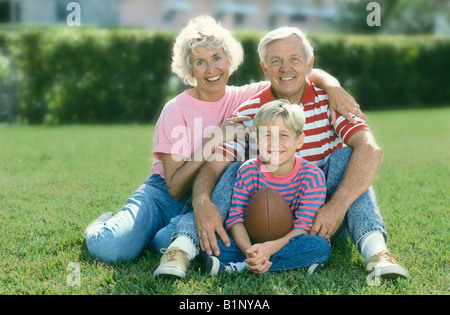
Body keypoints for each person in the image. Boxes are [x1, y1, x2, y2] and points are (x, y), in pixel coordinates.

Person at [84, 17, 361, 266]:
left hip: (213, 193)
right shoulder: (175, 109)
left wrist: (333, 85)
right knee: (112, 249)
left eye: (217, 58)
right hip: (164, 195)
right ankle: (106, 224)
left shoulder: (246, 96)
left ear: (229, 60)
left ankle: (158, 235)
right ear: (190, 69)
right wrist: (213, 139)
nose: (210, 69)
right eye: (200, 62)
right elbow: (175, 185)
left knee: (163, 243)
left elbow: (293, 72)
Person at [158, 26, 409, 280]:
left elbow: (370, 149)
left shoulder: (331, 100)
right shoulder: (249, 111)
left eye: (294, 59)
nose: (285, 68)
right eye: (275, 61)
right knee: (234, 169)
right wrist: (202, 203)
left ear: (309, 64)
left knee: (347, 158)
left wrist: (337, 205)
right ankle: (181, 249)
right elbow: (213, 167)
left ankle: (377, 253)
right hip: (261, 222)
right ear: (264, 69)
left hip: (322, 221)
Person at [205, 99, 330, 275]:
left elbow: (302, 227)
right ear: (257, 139)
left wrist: (269, 248)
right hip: (251, 240)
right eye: (267, 135)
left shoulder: (312, 176)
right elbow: (235, 219)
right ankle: (283, 264)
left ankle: (241, 266)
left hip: (291, 241)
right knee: (213, 245)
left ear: (299, 140)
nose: (274, 142)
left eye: (284, 135)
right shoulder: (248, 170)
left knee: (319, 246)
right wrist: (251, 251)